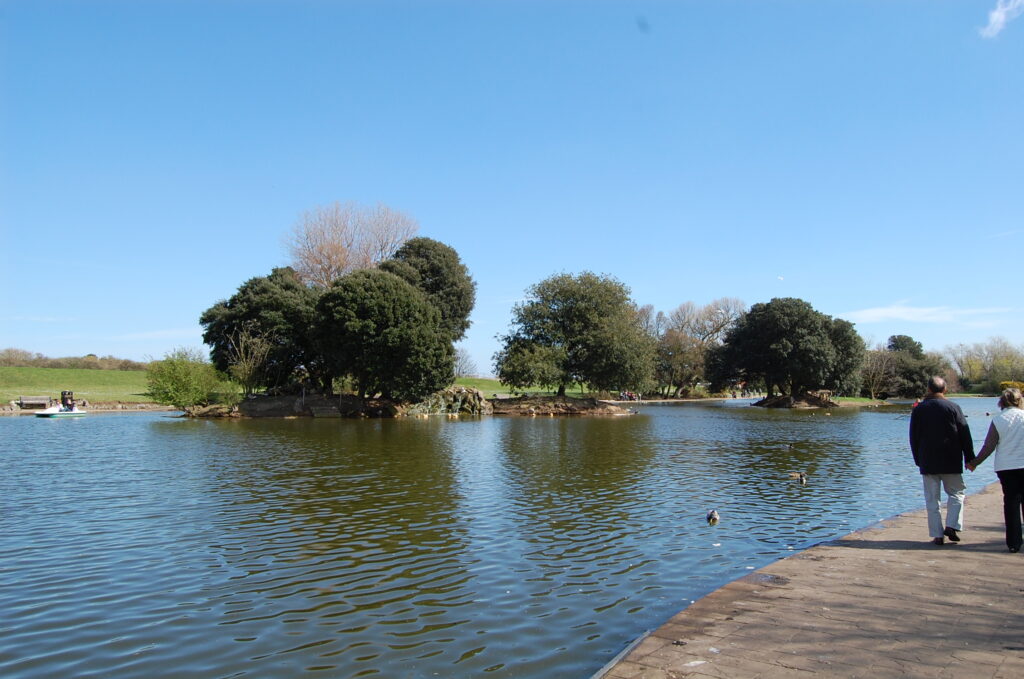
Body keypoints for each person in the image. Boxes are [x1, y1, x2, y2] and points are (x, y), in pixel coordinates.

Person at [909, 376, 975, 545]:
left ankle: (937, 535)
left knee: (932, 499)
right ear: (944, 389)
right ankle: (952, 525)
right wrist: (970, 457)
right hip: (951, 458)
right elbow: (964, 434)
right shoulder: (953, 407)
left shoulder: (919, 409)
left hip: (928, 459)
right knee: (956, 494)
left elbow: (913, 437)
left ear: (929, 389)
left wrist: (918, 459)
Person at [966, 388, 1024, 553]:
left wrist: (975, 462)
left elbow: (989, 446)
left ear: (1001, 402)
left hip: (1006, 467)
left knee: (1011, 503)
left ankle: (1014, 543)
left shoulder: (999, 419)